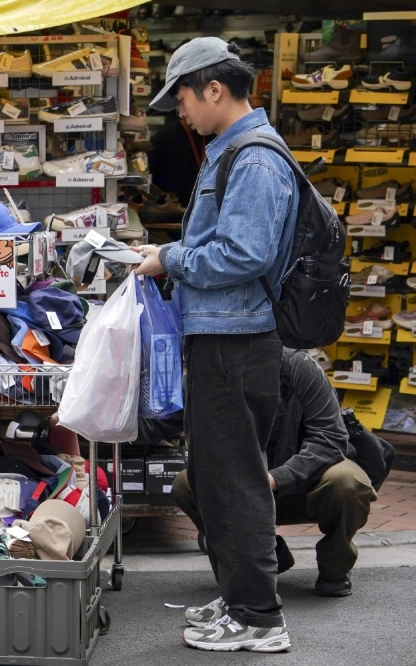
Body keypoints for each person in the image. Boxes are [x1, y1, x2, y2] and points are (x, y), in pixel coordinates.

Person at [135, 37, 298, 653]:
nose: (181, 111)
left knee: (234, 479)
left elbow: (243, 253)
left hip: (237, 338)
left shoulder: (253, 160)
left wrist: (168, 257)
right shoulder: (233, 151)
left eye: (182, 96)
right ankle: (240, 601)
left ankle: (259, 617)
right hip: (222, 334)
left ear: (213, 89)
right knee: (213, 474)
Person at [138, 348, 384, 601]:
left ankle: (334, 567)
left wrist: (278, 478)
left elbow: (331, 439)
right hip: (243, 487)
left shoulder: (300, 368)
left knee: (349, 482)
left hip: (308, 481)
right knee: (186, 483)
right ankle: (263, 555)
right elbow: (159, 423)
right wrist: (114, 407)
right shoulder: (207, 372)